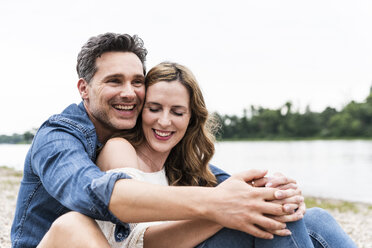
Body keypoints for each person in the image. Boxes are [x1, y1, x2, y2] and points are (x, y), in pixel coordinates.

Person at [11, 32, 300, 248]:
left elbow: (215, 181)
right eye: (114, 81)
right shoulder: (58, 137)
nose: (129, 92)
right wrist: (215, 203)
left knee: (305, 220)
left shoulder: (144, 138)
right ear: (84, 89)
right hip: (60, 242)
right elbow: (96, 193)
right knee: (72, 223)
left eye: (137, 82)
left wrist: (271, 194)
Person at [91, 62, 357, 248]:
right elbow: (133, 243)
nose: (164, 121)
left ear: (191, 118)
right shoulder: (120, 149)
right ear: (140, 110)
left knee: (315, 217)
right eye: (154, 108)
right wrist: (224, 212)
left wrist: (280, 194)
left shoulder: (181, 166)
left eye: (177, 112)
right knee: (272, 219)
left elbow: (231, 196)